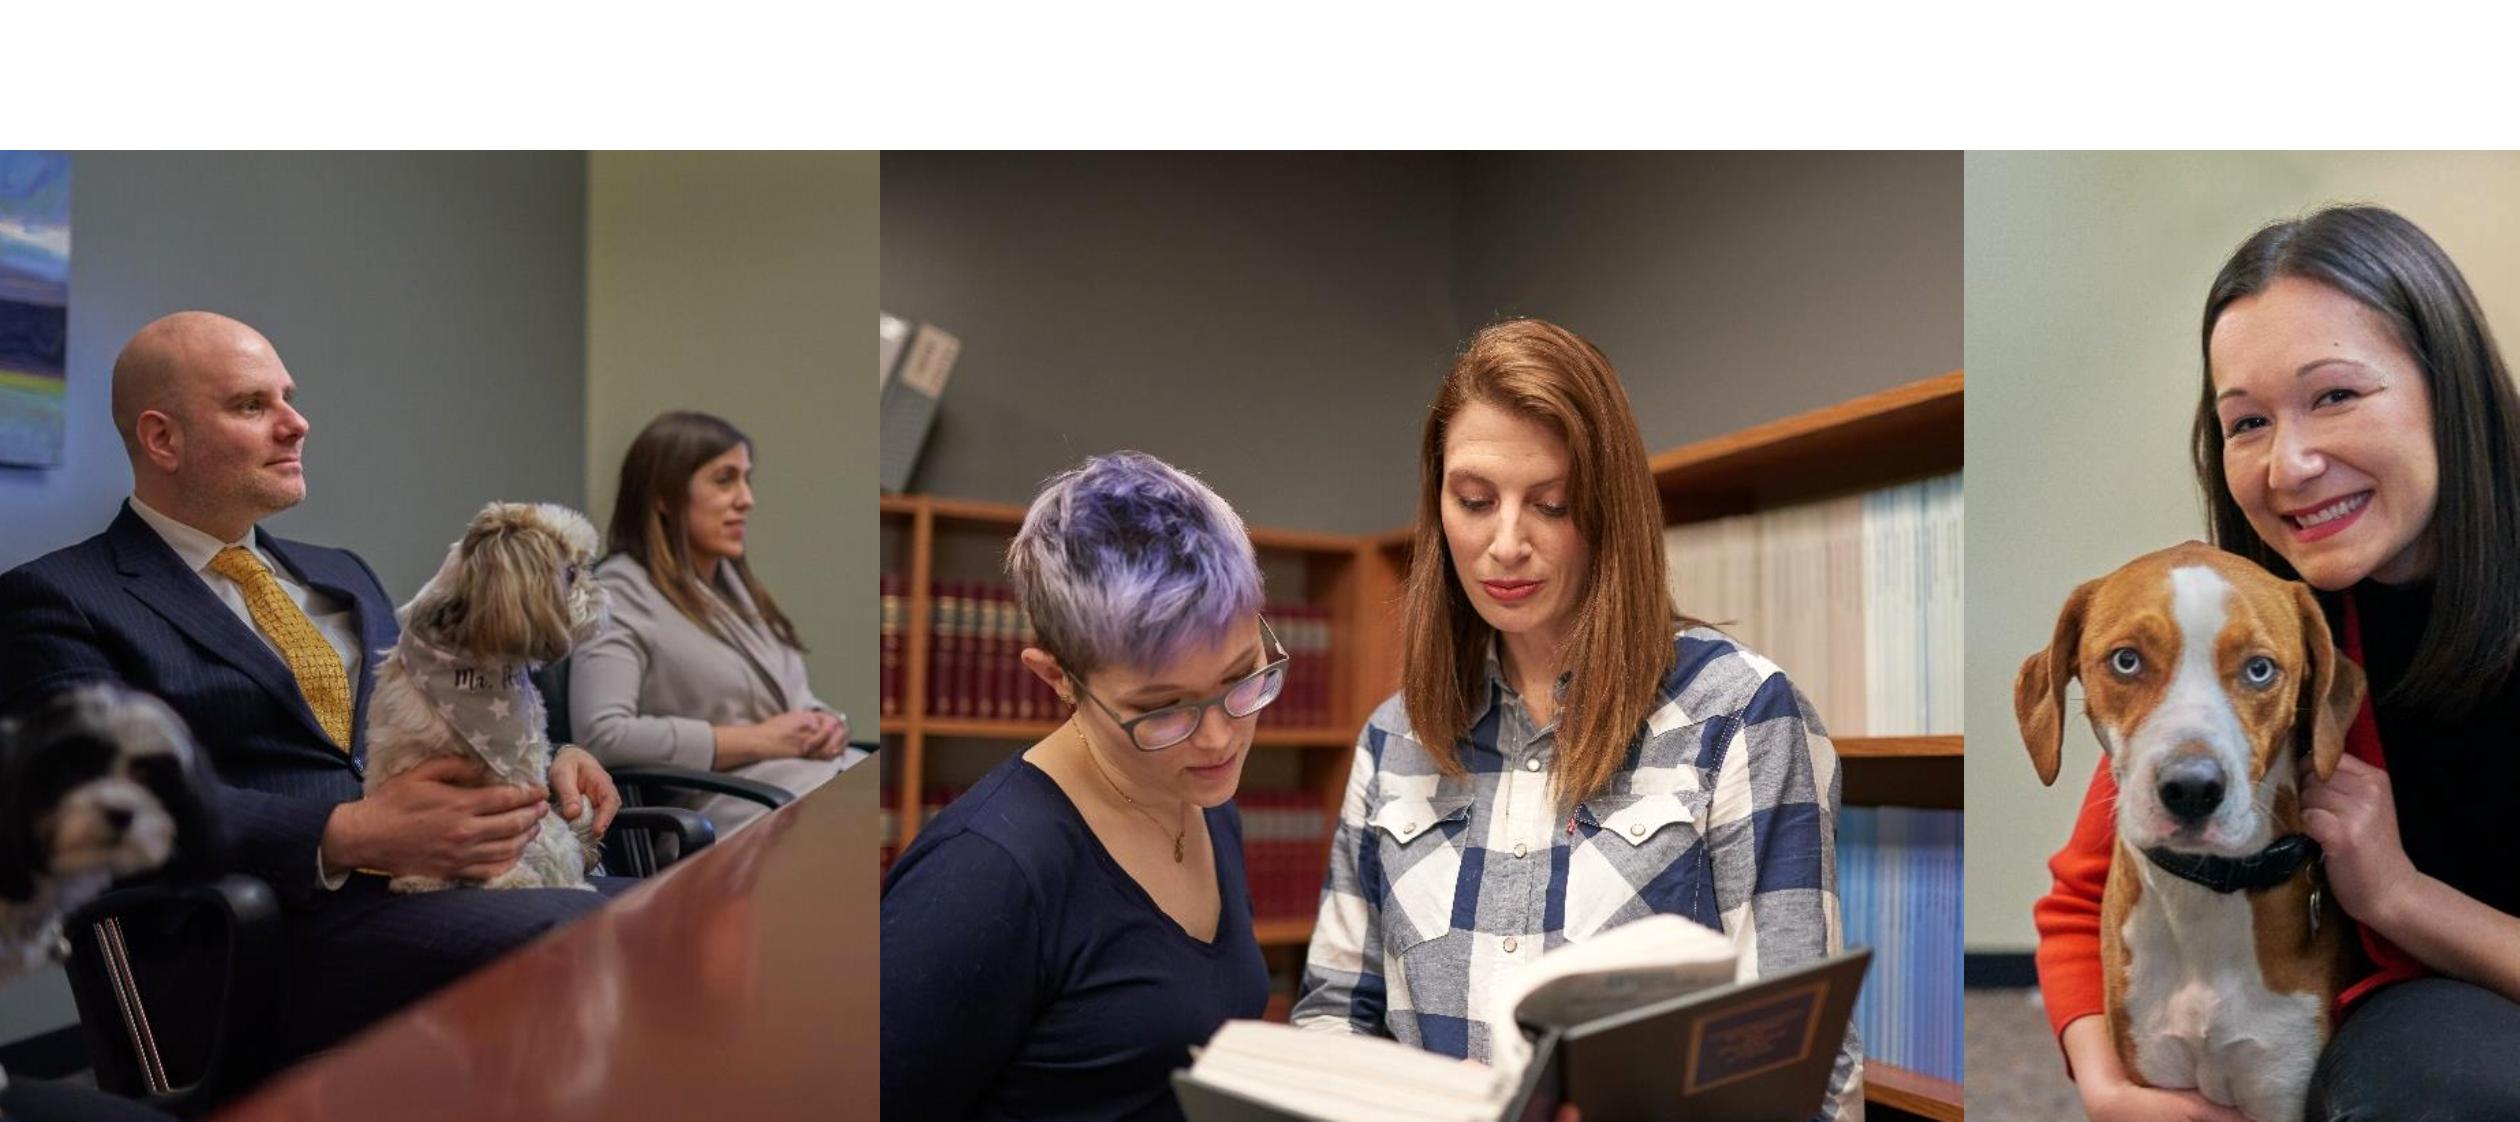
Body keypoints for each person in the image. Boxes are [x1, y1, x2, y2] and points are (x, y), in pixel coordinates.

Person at [0, 312, 626, 1074]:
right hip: (259, 935)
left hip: (430, 890)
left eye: (288, 398)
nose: (296, 424)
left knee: (668, 906)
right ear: (162, 439)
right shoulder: (60, 596)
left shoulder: (340, 573)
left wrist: (542, 760)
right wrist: (347, 833)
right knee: (578, 925)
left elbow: (429, 712)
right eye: (251, 405)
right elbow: (99, 799)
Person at [1290, 318, 1861, 1122]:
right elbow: (1333, 1019)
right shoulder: (1394, 740)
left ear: (1607, 512)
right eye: (1475, 501)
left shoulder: (1740, 716)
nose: (1506, 543)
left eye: (1551, 504)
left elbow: (1801, 1070)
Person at [2036, 205, 2520, 1120]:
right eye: (2247, 420)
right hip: (2406, 1012)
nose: (2289, 464)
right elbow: (2085, 891)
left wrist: (2401, 897)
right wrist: (2105, 1085)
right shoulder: (2258, 621)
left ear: (2445, 389)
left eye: (2335, 395)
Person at [880, 452, 1275, 1121]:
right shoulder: (984, 876)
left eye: (1242, 677)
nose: (1218, 739)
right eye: (1164, 708)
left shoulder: (1204, 802)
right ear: (1055, 677)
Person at [569, 411, 857, 834]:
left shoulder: (734, 591)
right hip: (734, 812)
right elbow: (601, 735)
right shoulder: (619, 592)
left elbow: (789, 699)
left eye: (746, 479)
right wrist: (760, 740)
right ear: (664, 496)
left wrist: (827, 722)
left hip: (807, 786)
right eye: (725, 480)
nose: (747, 499)